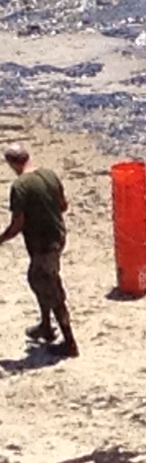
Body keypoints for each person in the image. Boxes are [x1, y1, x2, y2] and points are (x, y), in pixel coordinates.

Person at [1, 142, 77, 358]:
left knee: (49, 287)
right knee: (40, 281)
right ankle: (45, 326)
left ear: (12, 164)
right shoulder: (49, 174)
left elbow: (17, 224)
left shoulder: (20, 187)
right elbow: (63, 205)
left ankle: (69, 343)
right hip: (56, 237)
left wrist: (1, 239)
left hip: (43, 244)